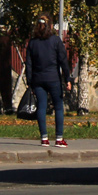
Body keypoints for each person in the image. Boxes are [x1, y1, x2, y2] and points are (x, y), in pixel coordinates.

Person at [25, 13, 72, 147]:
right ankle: (59, 139)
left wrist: (30, 82)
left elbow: (29, 64)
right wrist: (67, 78)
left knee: (41, 107)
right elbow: (63, 60)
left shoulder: (32, 43)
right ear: (50, 25)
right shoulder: (55, 41)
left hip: (38, 80)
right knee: (58, 107)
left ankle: (44, 138)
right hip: (53, 79)